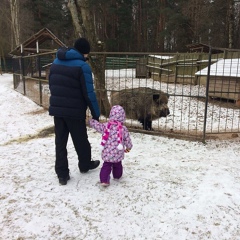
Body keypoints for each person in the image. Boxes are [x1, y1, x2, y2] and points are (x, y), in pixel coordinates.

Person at [48, 38, 100, 185]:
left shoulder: (55, 62)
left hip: (58, 110)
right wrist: (96, 113)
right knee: (81, 140)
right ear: (84, 53)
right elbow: (89, 93)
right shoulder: (82, 66)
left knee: (60, 142)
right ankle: (85, 165)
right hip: (75, 111)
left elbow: (52, 84)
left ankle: (62, 174)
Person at [89, 105, 133, 186]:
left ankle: (104, 180)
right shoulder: (123, 129)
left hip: (107, 152)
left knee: (106, 166)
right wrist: (129, 147)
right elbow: (127, 139)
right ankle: (117, 176)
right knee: (118, 165)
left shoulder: (105, 126)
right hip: (118, 153)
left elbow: (98, 126)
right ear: (123, 116)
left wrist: (92, 121)